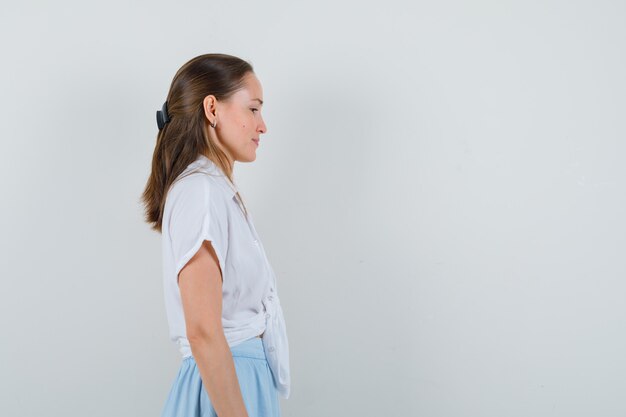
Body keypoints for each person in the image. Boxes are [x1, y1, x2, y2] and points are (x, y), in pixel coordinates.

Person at [141, 53, 290, 417]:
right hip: (225, 388)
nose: (263, 125)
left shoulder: (213, 190)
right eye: (253, 109)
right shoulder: (201, 191)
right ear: (212, 109)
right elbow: (204, 331)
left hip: (238, 382)